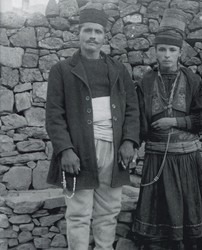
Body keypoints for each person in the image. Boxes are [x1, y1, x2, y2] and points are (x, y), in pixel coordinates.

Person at [45, 6, 139, 250]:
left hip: (114, 149)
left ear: (104, 36)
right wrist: (65, 149)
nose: (93, 36)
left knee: (109, 210)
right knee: (78, 212)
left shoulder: (118, 70)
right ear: (79, 32)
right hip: (79, 150)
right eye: (88, 30)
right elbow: (54, 115)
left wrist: (129, 141)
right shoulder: (62, 70)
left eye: (98, 31)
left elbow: (132, 109)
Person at [133, 11, 202, 250]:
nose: (167, 55)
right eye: (162, 49)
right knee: (160, 214)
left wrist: (174, 123)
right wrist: (132, 145)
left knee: (190, 210)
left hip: (187, 159)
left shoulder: (193, 81)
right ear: (155, 51)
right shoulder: (146, 82)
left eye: (172, 50)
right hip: (157, 158)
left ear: (180, 52)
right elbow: (138, 120)